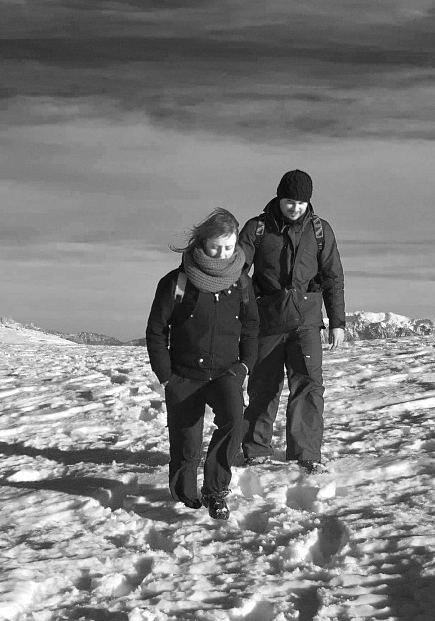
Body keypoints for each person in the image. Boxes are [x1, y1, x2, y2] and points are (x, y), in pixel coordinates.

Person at [146, 208, 258, 520]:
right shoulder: (177, 282)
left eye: (229, 247)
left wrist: (245, 366)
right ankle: (183, 496)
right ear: (202, 242)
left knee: (235, 421)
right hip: (184, 375)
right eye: (215, 246)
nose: (222, 254)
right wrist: (166, 375)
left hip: (226, 372)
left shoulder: (242, 284)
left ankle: (216, 490)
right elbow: (156, 330)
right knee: (187, 445)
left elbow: (251, 330)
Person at [238, 169, 345, 473]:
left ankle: (306, 454)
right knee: (263, 387)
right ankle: (256, 449)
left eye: (300, 202)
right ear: (279, 197)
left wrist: (337, 321)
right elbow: (236, 270)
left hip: (307, 321)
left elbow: (332, 277)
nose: (294, 208)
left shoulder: (320, 231)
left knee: (309, 386)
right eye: (289, 201)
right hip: (266, 321)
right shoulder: (257, 228)